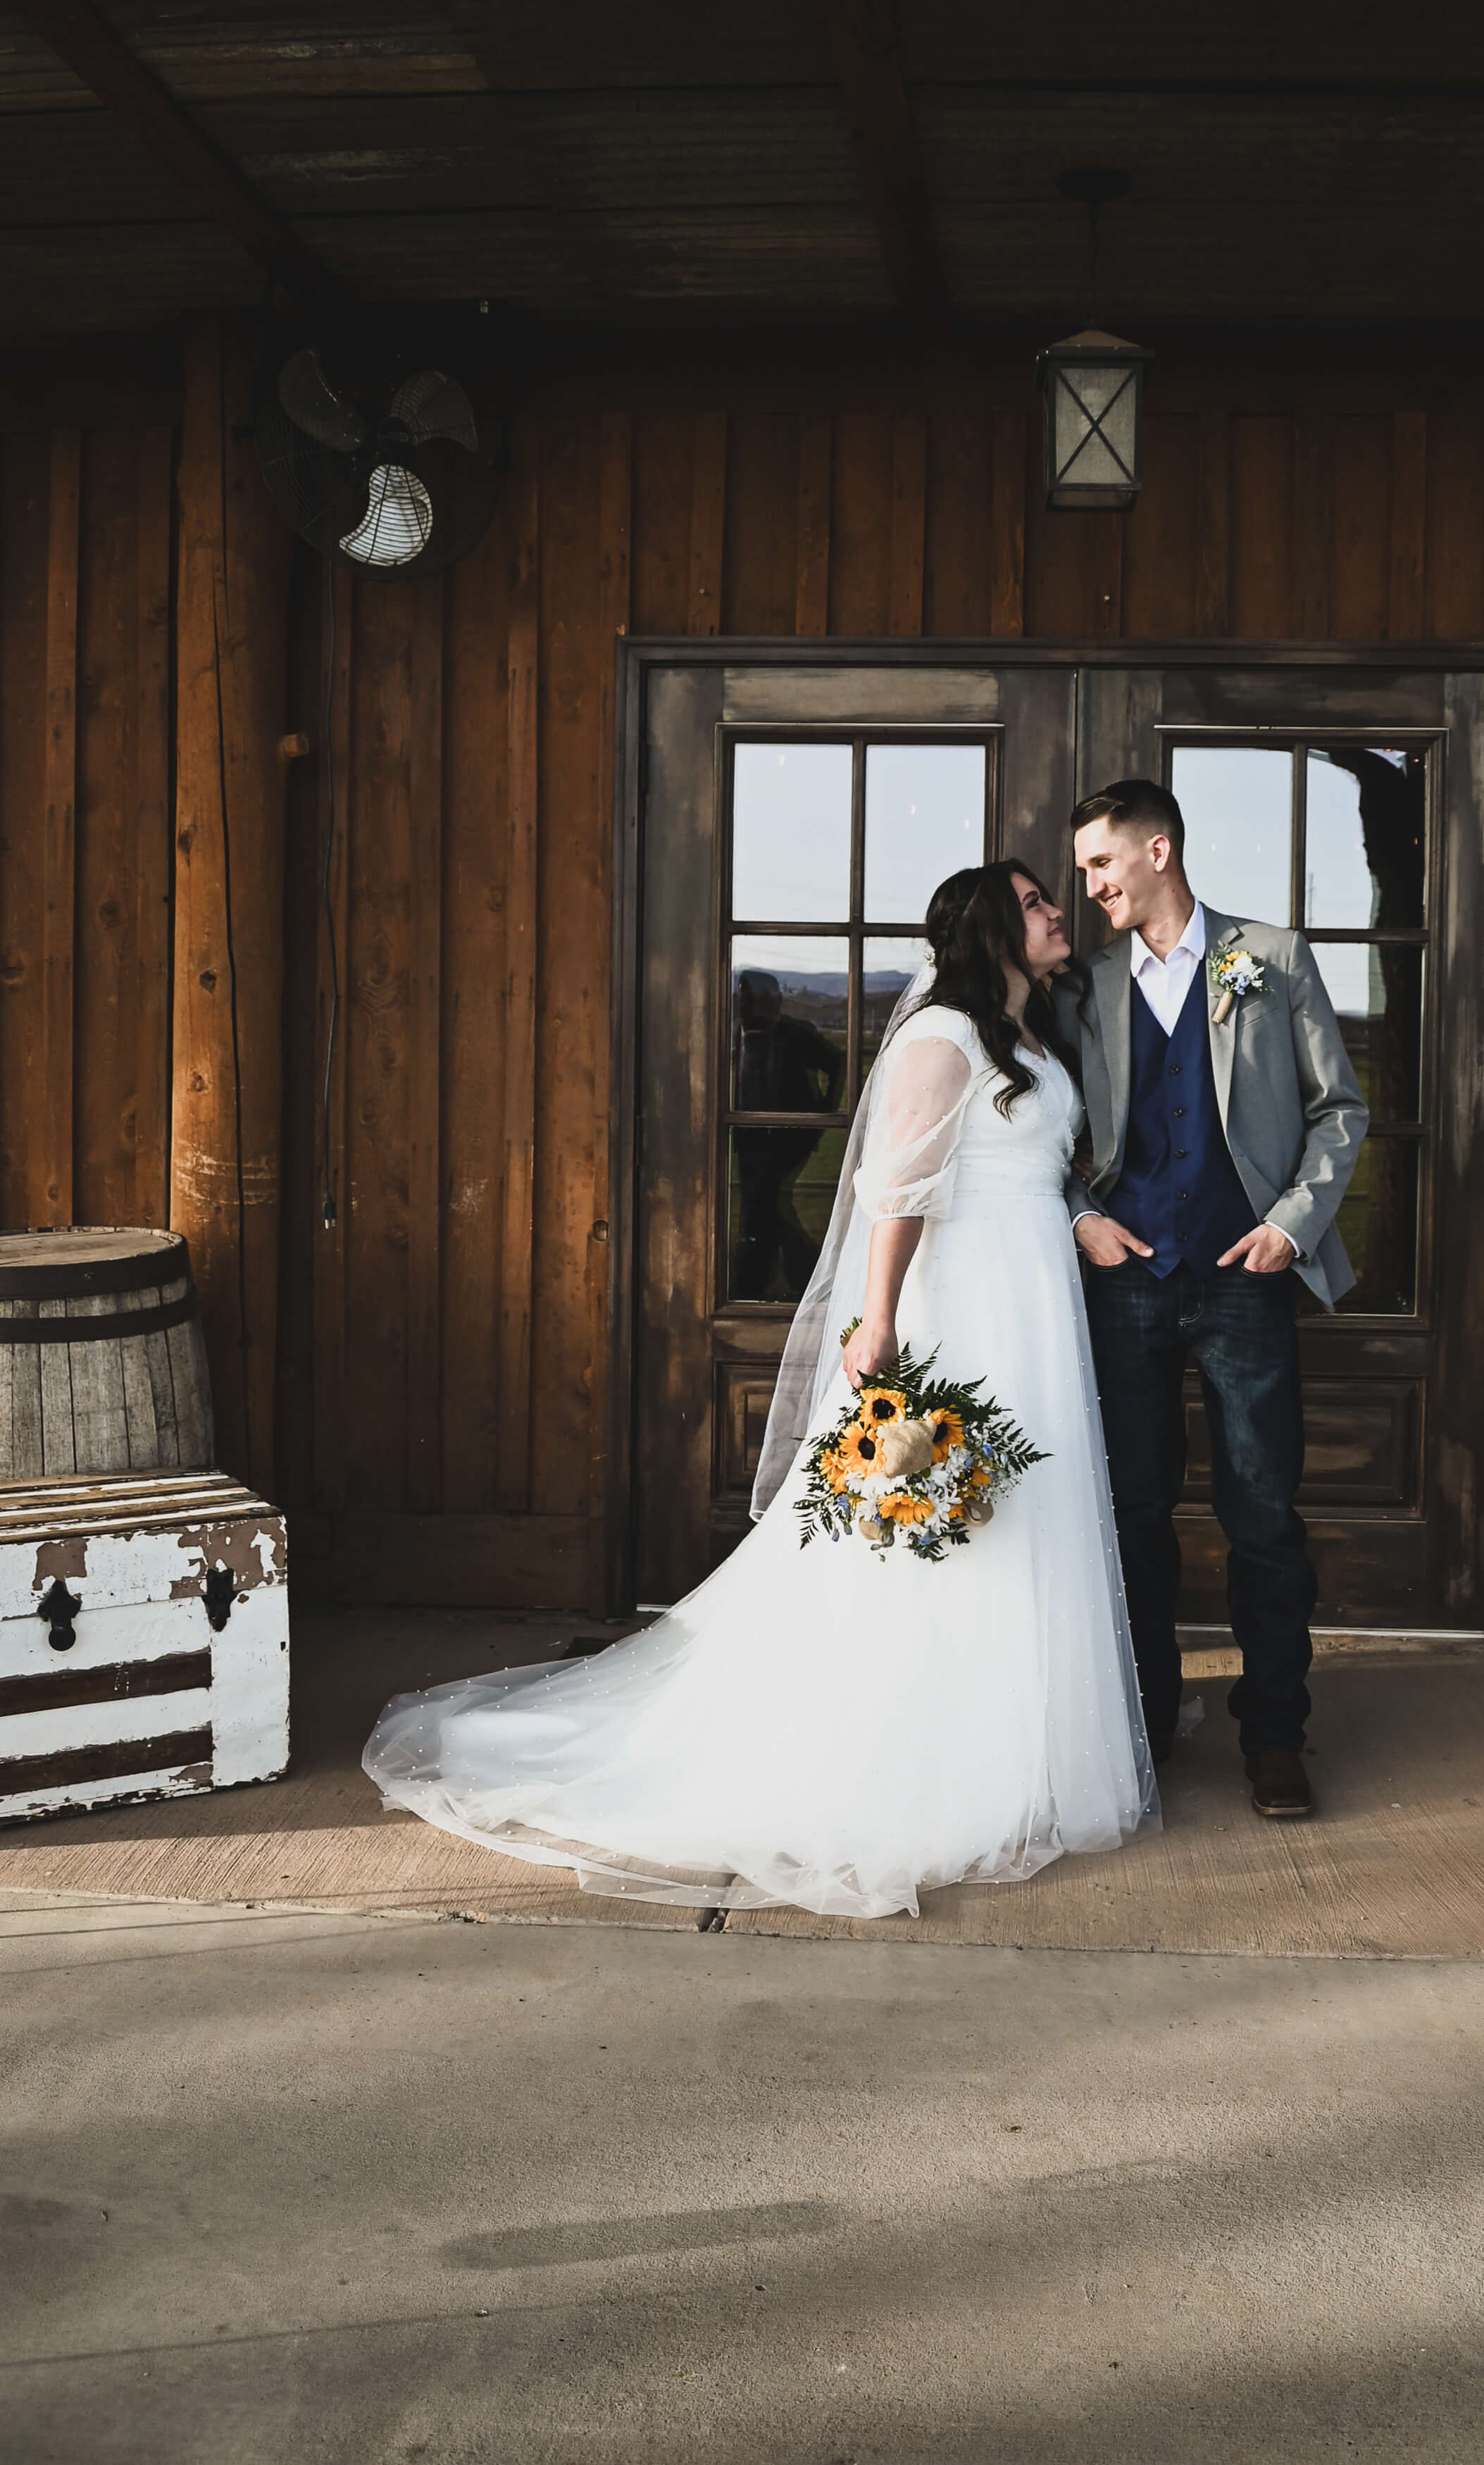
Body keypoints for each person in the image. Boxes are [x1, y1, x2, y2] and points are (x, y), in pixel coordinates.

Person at [363, 861, 1156, 1920]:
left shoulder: (1033, 1040)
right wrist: (877, 1320)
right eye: (1033, 904)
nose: (1057, 912)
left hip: (1035, 1303)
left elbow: (1028, 1166)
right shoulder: (941, 1037)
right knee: (943, 1527)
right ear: (989, 931)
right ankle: (917, 1758)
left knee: (1030, 1519)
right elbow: (896, 1190)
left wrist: (1072, 1218)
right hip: (958, 1308)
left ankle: (1027, 1751)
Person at [1061, 779, 1368, 1818]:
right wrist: (1076, 1218)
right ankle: (1142, 1725)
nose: (1089, 884)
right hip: (1126, 1287)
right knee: (1132, 1513)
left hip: (1243, 1278)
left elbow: (1339, 1107)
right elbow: (1039, 1130)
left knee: (1261, 1515)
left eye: (1100, 864)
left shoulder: (1269, 960)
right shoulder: (1085, 987)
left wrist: (1289, 1225)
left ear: (1156, 850)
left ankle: (1274, 1735)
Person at [730, 969, 846, 1299]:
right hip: (749, 1137)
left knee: (768, 1205)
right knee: (761, 1209)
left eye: (749, 996)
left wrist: (824, 1111)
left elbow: (836, 1062)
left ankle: (793, 1279)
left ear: (769, 1000)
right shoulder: (739, 1035)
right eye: (741, 995)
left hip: (786, 1138)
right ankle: (774, 1279)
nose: (742, 1003)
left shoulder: (794, 1034)